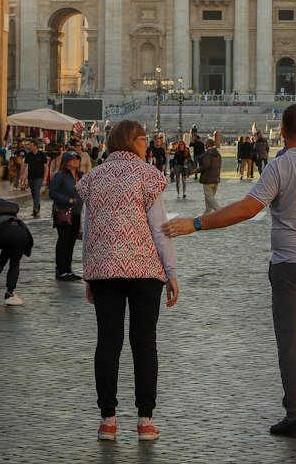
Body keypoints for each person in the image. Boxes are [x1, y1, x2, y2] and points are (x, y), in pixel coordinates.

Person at [164, 102, 296, 439]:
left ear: (282, 132)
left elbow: (248, 209)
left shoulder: (280, 167)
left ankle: (295, 417)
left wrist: (196, 223)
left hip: (292, 265)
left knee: (293, 344)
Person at [77, 119, 179, 443]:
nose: (147, 144)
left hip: (104, 270)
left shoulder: (93, 177)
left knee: (108, 344)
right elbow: (160, 229)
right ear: (130, 141)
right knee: (144, 343)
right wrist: (172, 272)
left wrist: (88, 274)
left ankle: (107, 420)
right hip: (145, 271)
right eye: (143, 139)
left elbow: (88, 231)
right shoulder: (149, 176)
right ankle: (145, 420)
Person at [50, 149, 83, 281]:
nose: (76, 161)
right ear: (66, 162)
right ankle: (61, 270)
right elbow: (52, 192)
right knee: (63, 240)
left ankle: (68, 270)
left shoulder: (81, 176)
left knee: (71, 242)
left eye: (77, 158)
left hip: (76, 213)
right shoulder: (60, 176)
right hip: (63, 212)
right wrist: (66, 200)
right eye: (72, 159)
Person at [23, 141, 48, 218]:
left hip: (39, 177)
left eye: (31, 145)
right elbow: (25, 165)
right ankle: (37, 206)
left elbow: (46, 167)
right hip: (30, 177)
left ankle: (35, 209)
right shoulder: (28, 155)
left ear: (35, 146)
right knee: (33, 193)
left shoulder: (42, 155)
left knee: (37, 191)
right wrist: (23, 176)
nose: (29, 147)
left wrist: (44, 178)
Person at [197, 138, 222, 214]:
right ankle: (206, 214)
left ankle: (220, 211)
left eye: (205, 143)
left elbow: (206, 166)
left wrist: (197, 170)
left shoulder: (208, 154)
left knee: (209, 197)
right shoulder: (217, 154)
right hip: (215, 178)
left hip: (208, 179)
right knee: (209, 199)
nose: (204, 145)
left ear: (207, 144)